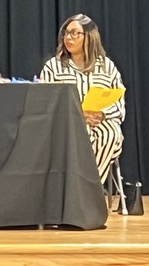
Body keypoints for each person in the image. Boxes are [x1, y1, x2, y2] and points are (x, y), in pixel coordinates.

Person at [38, 14, 125, 184]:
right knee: (81, 135)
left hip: (101, 122)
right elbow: (45, 102)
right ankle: (86, 190)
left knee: (110, 133)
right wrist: (78, 114)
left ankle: (87, 187)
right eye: (66, 33)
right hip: (66, 123)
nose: (68, 38)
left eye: (75, 33)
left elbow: (119, 103)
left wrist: (102, 114)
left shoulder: (106, 66)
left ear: (89, 36)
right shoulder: (53, 67)